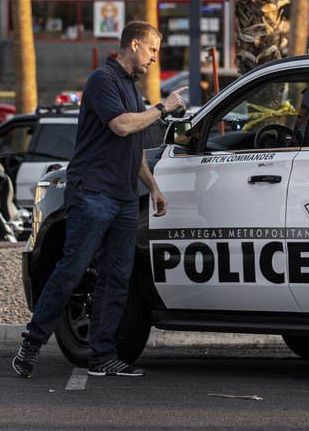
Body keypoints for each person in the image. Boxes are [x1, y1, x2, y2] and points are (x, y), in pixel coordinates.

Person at [12, 21, 187, 378]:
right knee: (72, 270)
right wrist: (163, 108)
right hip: (92, 193)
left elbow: (133, 145)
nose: (155, 58)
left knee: (116, 278)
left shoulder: (130, 88)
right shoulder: (102, 80)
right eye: (152, 50)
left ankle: (102, 356)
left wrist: (152, 187)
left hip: (124, 198)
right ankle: (30, 343)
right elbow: (122, 126)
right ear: (134, 45)